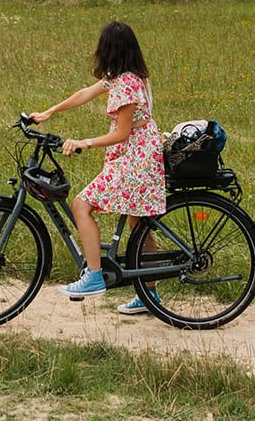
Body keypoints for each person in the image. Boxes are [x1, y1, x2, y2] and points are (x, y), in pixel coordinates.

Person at [33, 20, 167, 312]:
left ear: (109, 50)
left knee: (81, 206)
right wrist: (51, 111)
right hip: (136, 153)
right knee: (138, 224)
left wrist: (84, 142)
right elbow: (85, 92)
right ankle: (150, 296)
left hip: (137, 158)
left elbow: (121, 133)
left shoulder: (127, 84)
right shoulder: (123, 76)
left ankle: (93, 276)